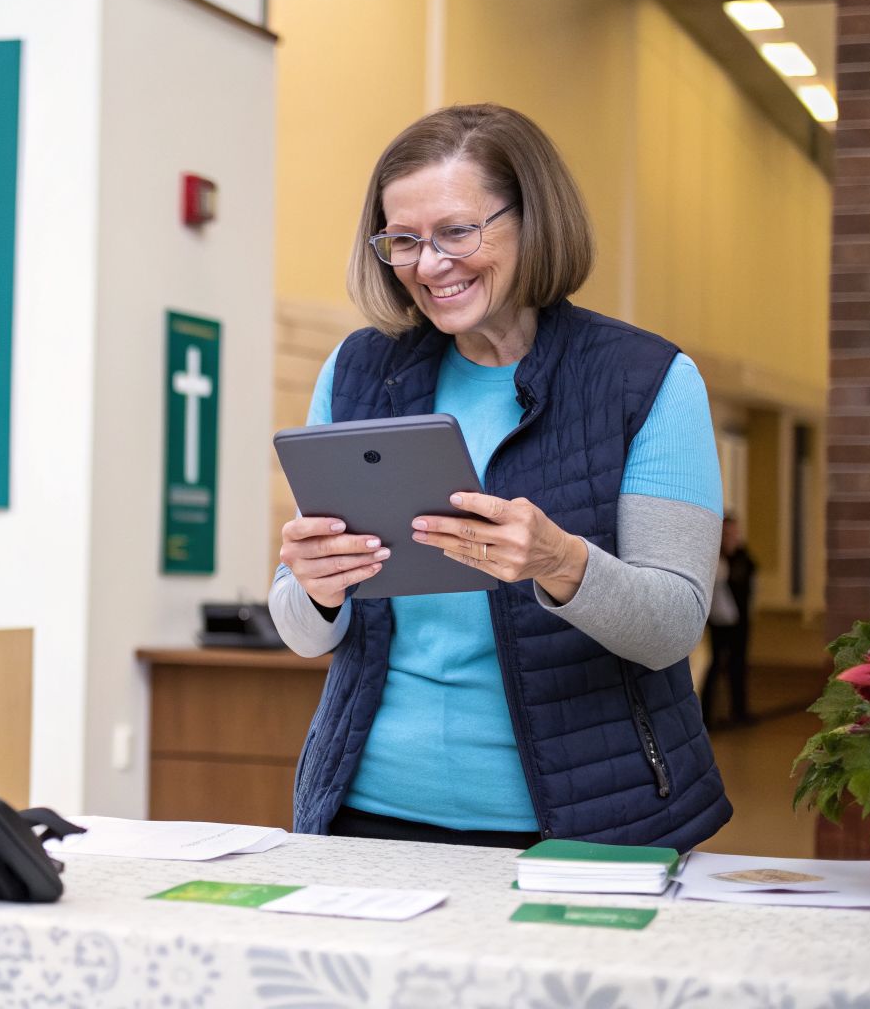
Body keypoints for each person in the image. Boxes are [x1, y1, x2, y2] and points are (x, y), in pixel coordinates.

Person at [269, 104, 730, 851]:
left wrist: (563, 564)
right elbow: (301, 631)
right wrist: (316, 588)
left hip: (587, 826)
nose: (428, 264)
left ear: (533, 219)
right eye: (404, 241)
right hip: (368, 813)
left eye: (457, 231)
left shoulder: (647, 380)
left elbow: (671, 627)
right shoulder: (357, 373)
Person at [704, 516, 757, 727]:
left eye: (733, 533)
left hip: (739, 621)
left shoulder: (743, 558)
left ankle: (739, 710)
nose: (730, 537)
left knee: (738, 665)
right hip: (718, 622)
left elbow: (750, 583)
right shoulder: (715, 559)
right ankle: (706, 714)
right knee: (715, 665)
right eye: (726, 533)